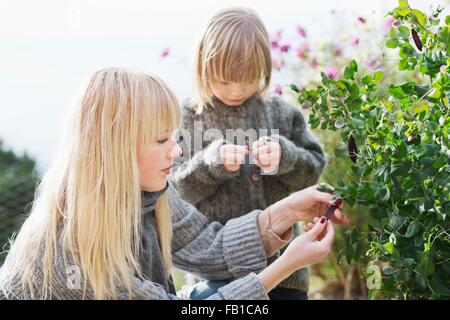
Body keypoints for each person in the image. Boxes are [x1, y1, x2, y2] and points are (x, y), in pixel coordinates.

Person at [0, 68, 348, 300]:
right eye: (162, 139)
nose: (178, 150)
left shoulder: (150, 194)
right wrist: (283, 268)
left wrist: (288, 210)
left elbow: (209, 245)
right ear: (117, 149)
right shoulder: (73, 252)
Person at [170, 7, 327, 299]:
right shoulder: (190, 118)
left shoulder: (281, 114)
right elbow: (176, 193)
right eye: (224, 81)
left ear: (264, 69)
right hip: (217, 277)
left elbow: (313, 170)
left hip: (285, 273)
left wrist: (286, 158)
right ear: (203, 70)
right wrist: (211, 164)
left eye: (249, 79)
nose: (236, 91)